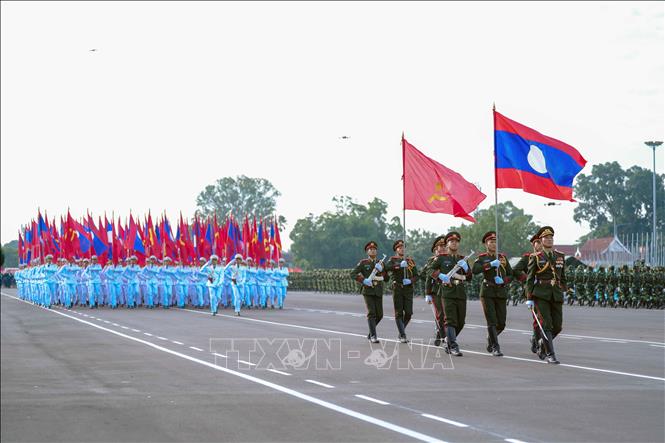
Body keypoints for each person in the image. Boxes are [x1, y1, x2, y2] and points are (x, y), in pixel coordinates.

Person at [427, 232, 471, 356]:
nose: (454, 243)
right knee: (450, 320)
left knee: (461, 322)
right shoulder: (441, 258)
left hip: (460, 292)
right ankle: (453, 346)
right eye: (452, 241)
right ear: (447, 244)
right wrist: (440, 275)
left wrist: (466, 269)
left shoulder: (463, 259)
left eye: (456, 241)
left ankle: (448, 341)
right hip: (446, 292)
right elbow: (430, 270)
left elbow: (470, 277)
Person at [526, 226, 566, 364]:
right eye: (546, 238)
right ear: (541, 240)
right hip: (541, 294)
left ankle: (542, 343)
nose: (549, 240)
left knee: (558, 326)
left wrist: (565, 289)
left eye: (551, 238)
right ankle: (550, 354)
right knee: (547, 324)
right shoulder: (536, 257)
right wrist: (529, 298)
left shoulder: (560, 256)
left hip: (556, 294)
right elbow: (530, 279)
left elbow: (563, 276)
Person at [472, 231, 513, 357]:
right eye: (491, 242)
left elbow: (511, 274)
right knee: (492, 321)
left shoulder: (502, 257)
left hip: (500, 291)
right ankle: (496, 346)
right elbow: (475, 270)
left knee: (501, 323)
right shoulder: (482, 257)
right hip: (488, 291)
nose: (494, 244)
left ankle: (491, 338)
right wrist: (490, 264)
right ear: (486, 244)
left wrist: (504, 280)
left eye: (495, 242)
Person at [350, 241, 388, 343]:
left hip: (378, 290)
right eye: (370, 249)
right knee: (372, 313)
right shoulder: (363, 263)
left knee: (380, 315)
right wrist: (363, 280)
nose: (373, 251)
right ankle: (373, 336)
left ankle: (371, 332)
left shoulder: (381, 263)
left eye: (374, 249)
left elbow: (387, 278)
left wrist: (382, 270)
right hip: (368, 291)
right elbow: (353, 274)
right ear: (367, 252)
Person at [384, 239, 419, 343]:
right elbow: (386, 268)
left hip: (408, 289)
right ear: (396, 249)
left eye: (403, 247)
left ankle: (401, 332)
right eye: (400, 248)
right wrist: (399, 266)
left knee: (408, 313)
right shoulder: (393, 259)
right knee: (399, 313)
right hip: (398, 288)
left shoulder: (410, 261)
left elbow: (417, 275)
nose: (402, 249)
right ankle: (403, 335)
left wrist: (410, 280)